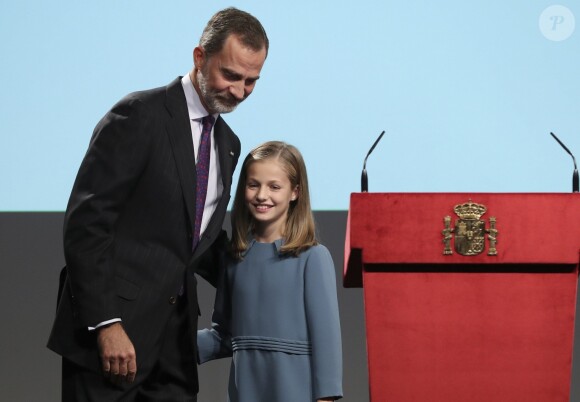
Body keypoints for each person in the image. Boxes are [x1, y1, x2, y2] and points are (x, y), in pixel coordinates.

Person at [47, 7, 269, 401]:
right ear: (199, 57)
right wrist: (106, 323)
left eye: (251, 81)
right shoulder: (138, 114)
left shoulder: (228, 144)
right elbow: (87, 225)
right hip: (112, 341)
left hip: (174, 351)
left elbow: (193, 241)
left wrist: (270, 269)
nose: (238, 91)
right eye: (230, 75)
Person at [197, 141, 343, 401]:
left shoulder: (313, 258)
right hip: (246, 390)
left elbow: (326, 339)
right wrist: (169, 347)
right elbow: (225, 334)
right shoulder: (235, 259)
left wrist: (327, 396)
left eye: (274, 186)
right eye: (254, 185)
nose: (262, 195)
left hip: (296, 390)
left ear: (295, 192)